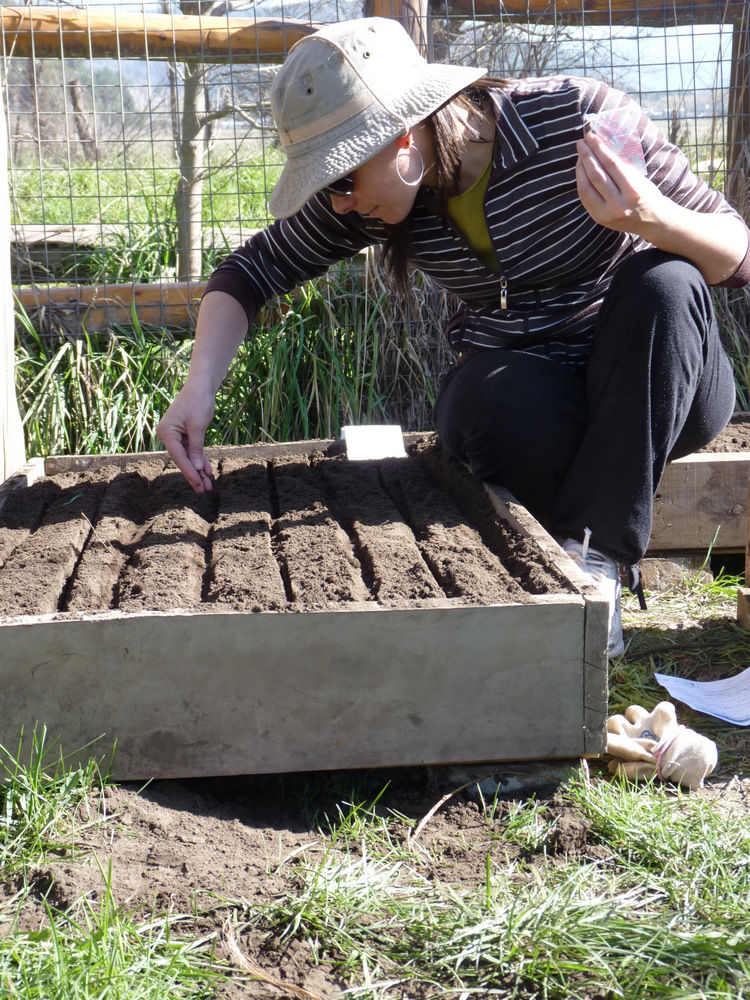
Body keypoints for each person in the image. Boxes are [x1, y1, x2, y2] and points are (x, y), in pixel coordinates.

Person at [156, 17, 750, 658]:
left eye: (341, 180)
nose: (339, 204)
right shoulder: (389, 198)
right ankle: (566, 542)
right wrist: (197, 388)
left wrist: (651, 218)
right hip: (549, 403)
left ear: (403, 140)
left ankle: (596, 563)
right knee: (476, 401)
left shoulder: (581, 122)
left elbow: (736, 256)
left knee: (664, 279)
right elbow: (249, 271)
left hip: (657, 383)